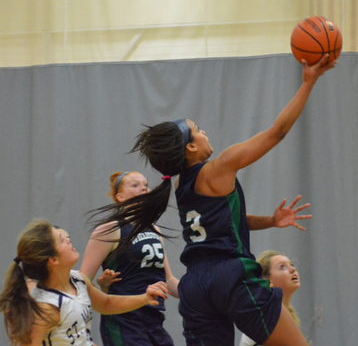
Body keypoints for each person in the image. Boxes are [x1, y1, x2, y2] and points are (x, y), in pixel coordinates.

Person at [91, 54, 337, 346]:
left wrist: (270, 221)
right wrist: (308, 82)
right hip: (230, 276)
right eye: (199, 129)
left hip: (196, 287)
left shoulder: (181, 184)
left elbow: (226, 222)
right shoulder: (220, 167)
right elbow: (277, 132)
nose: (205, 132)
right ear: (191, 146)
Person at [0, 218, 168, 346]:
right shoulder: (47, 307)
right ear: (53, 260)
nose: (68, 239)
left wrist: (144, 298)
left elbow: (106, 304)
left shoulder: (77, 279)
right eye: (61, 239)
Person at [79, 171, 180, 346]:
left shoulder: (154, 229)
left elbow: (168, 280)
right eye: (135, 185)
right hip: (123, 321)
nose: (143, 188)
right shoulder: (110, 229)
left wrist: (195, 295)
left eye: (146, 185)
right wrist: (104, 291)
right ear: (120, 196)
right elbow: (82, 280)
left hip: (153, 318)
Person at [239, 251, 304, 346]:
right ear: (267, 281)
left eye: (292, 265)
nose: (293, 269)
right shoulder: (263, 316)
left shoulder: (285, 316)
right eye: (282, 267)